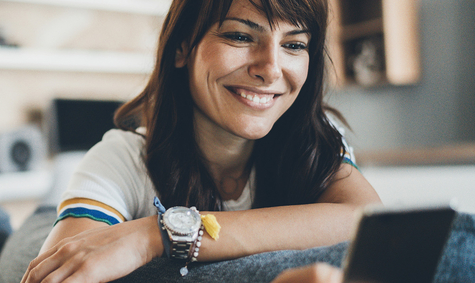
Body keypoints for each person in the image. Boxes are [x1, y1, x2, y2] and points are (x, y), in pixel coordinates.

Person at [21, 0, 382, 282]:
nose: (271, 68)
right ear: (181, 48)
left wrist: (159, 234)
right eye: (240, 36)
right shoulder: (121, 157)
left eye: (294, 44)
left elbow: (368, 221)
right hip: (38, 227)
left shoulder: (315, 139)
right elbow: (62, 271)